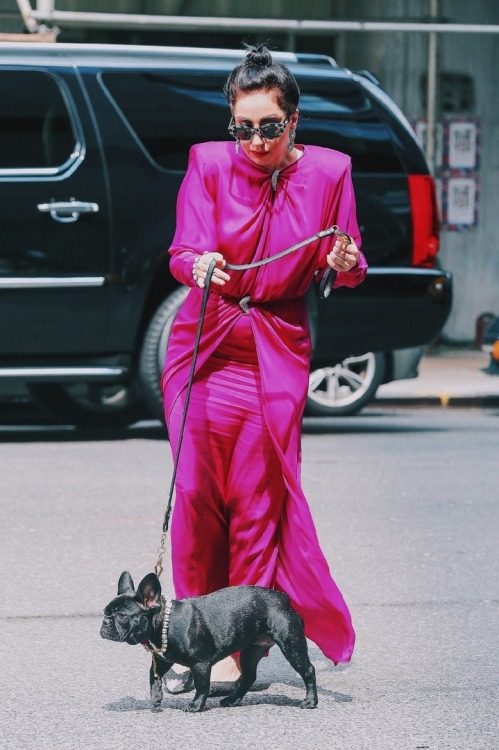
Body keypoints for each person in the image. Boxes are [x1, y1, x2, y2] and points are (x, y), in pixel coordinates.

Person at [160, 44, 367, 693]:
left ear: (294, 120)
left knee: (254, 501)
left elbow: (352, 263)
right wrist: (195, 265)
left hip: (275, 344)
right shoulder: (207, 164)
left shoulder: (331, 172)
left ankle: (236, 648)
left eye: (268, 127)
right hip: (205, 340)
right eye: (241, 127)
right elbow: (182, 249)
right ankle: (190, 632)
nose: (254, 140)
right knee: (196, 495)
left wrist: (341, 262)